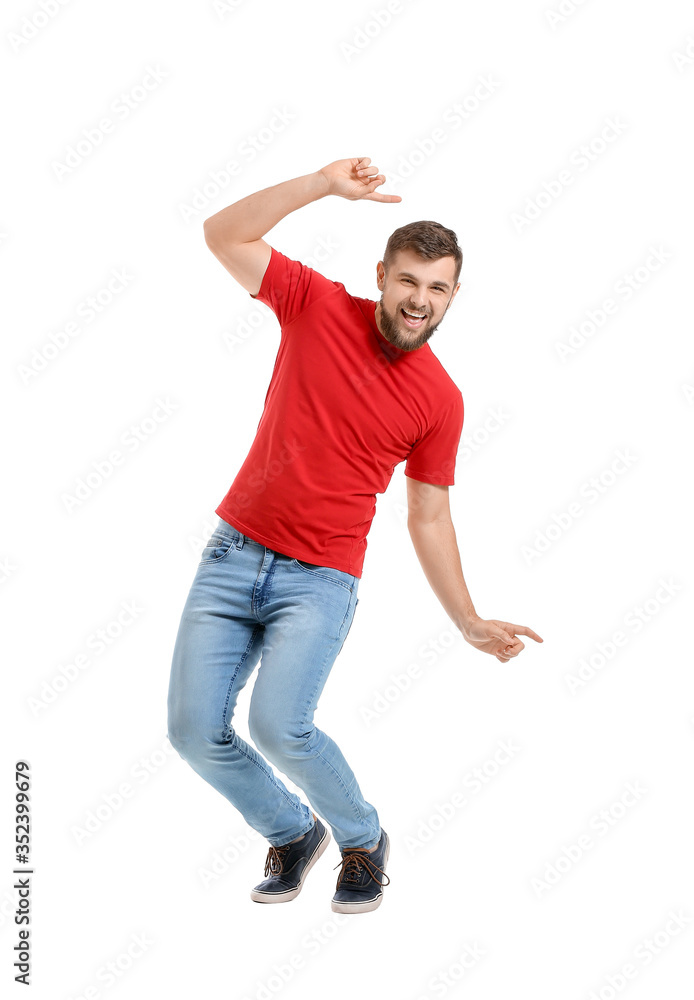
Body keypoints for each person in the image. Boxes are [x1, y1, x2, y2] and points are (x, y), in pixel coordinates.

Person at [167, 156, 543, 914]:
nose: (419, 300)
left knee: (279, 727)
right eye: (409, 281)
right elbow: (221, 233)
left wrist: (468, 619)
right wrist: (320, 185)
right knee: (192, 731)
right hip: (232, 554)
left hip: (320, 580)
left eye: (437, 288)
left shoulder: (441, 400)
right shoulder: (314, 303)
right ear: (383, 274)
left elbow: (429, 514)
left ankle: (363, 840)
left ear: (453, 296)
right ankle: (290, 830)